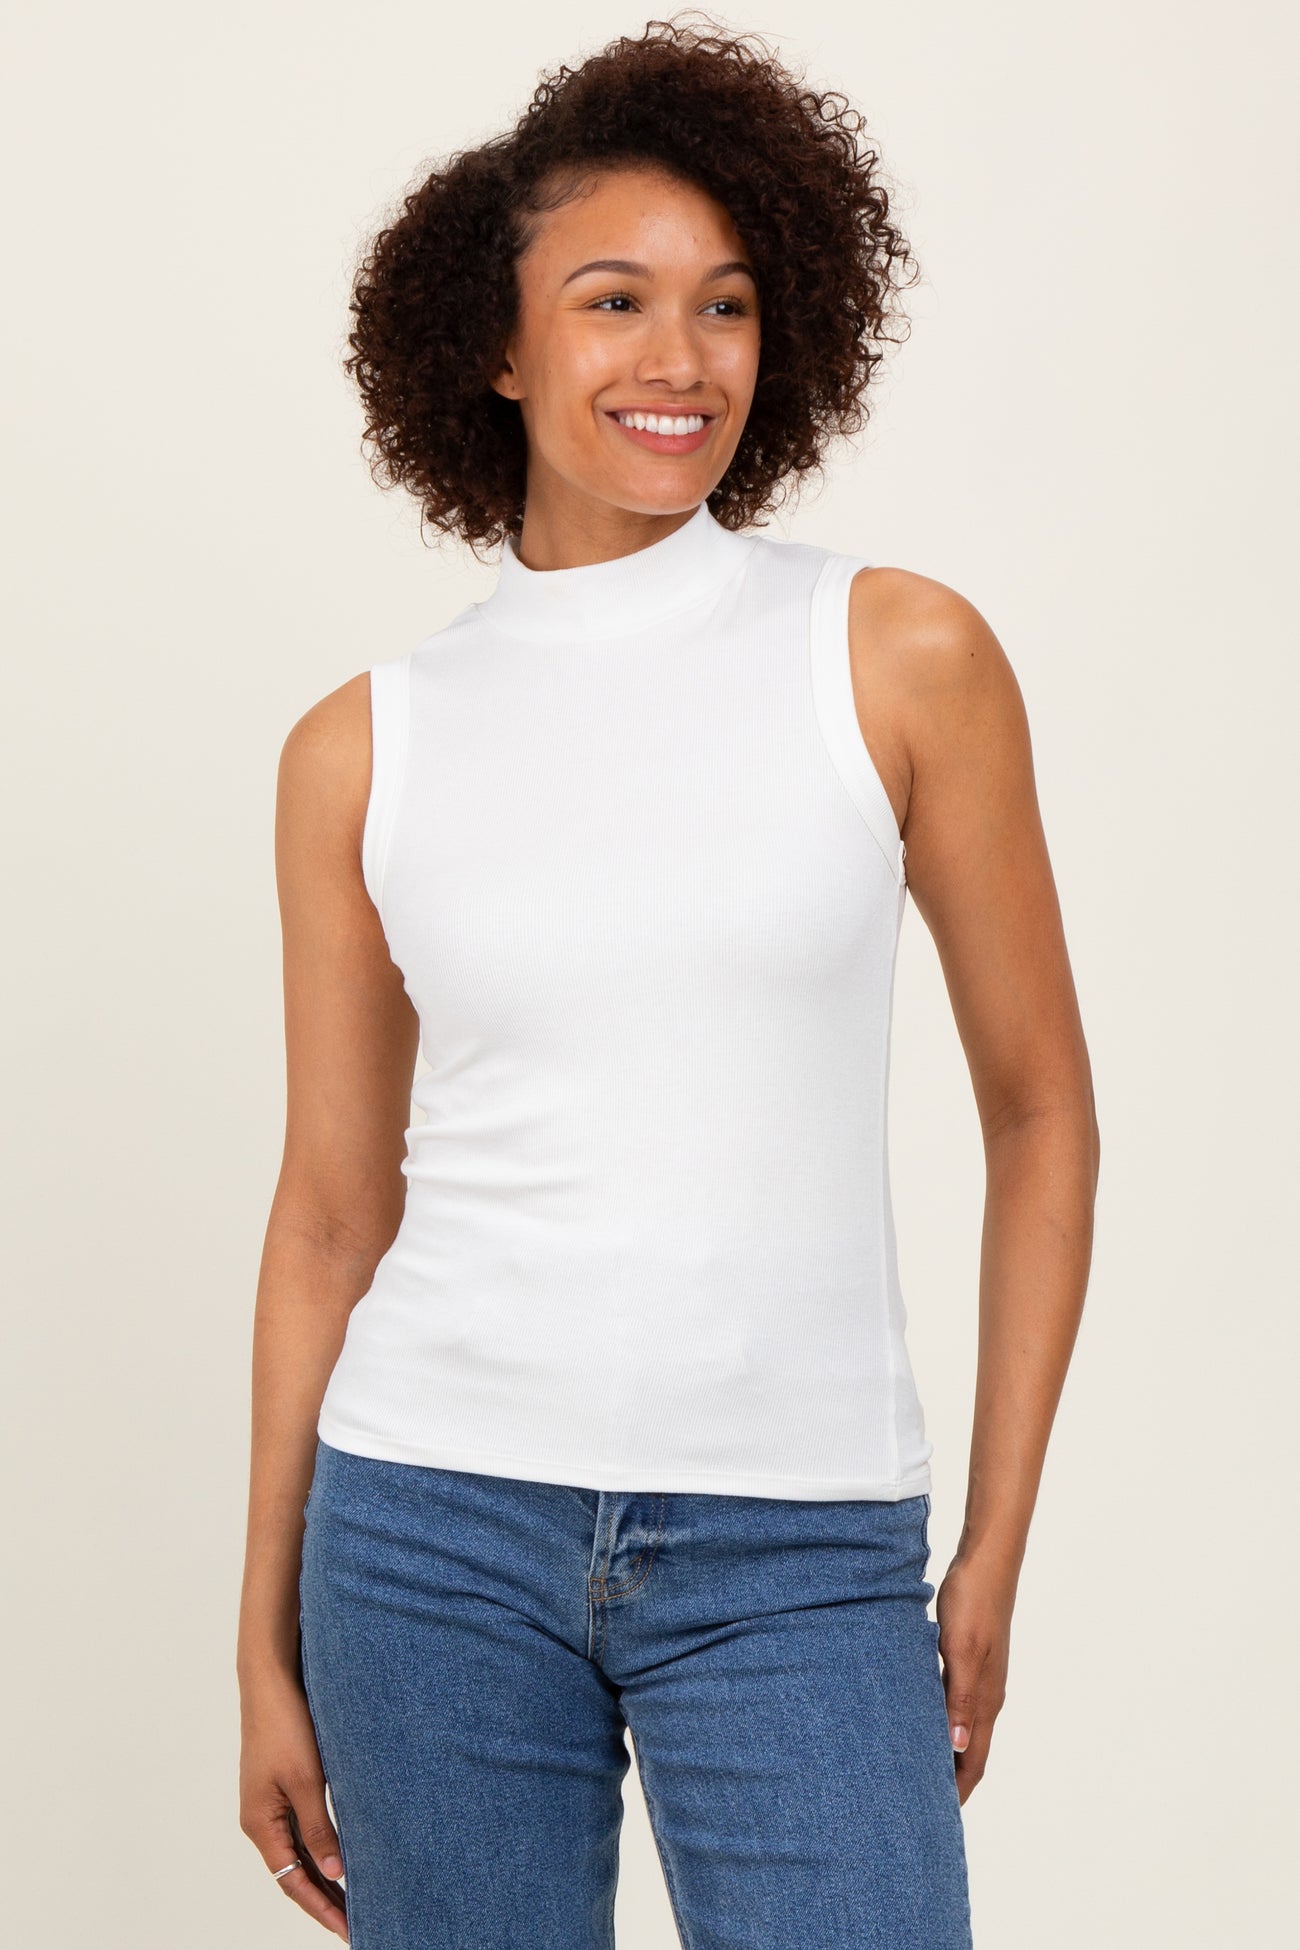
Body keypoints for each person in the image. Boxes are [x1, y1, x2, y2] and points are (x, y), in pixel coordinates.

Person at [236, 17, 1100, 1948]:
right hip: (427, 1530)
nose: (679, 359)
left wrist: (993, 1544)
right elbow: (329, 1210)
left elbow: (1042, 1106)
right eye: (613, 300)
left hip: (800, 1545)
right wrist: (259, 1637)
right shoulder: (362, 749)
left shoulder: (896, 656)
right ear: (497, 341)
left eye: (725, 305)